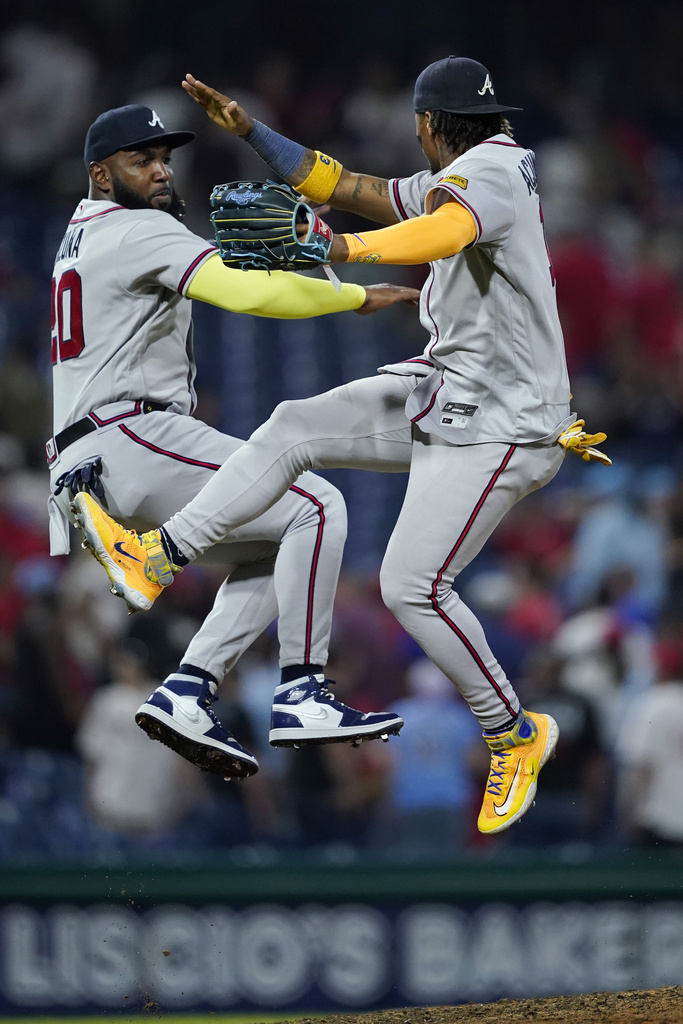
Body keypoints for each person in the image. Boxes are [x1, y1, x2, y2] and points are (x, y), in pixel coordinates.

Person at [74, 58, 610, 834]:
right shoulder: (469, 166)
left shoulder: (488, 175)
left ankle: (514, 733)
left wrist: (342, 251)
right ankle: (158, 556)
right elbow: (347, 185)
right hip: (447, 391)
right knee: (293, 425)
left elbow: (445, 230)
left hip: (504, 421)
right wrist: (253, 133)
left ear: (427, 125)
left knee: (410, 587)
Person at [49, 103, 418, 781]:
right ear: (100, 174)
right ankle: (302, 689)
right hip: (131, 433)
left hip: (91, 458)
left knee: (278, 538)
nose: (160, 170)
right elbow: (243, 293)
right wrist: (349, 298)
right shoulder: (135, 231)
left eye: (163, 157)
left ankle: (189, 686)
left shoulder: (81, 235)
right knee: (314, 503)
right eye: (140, 160)